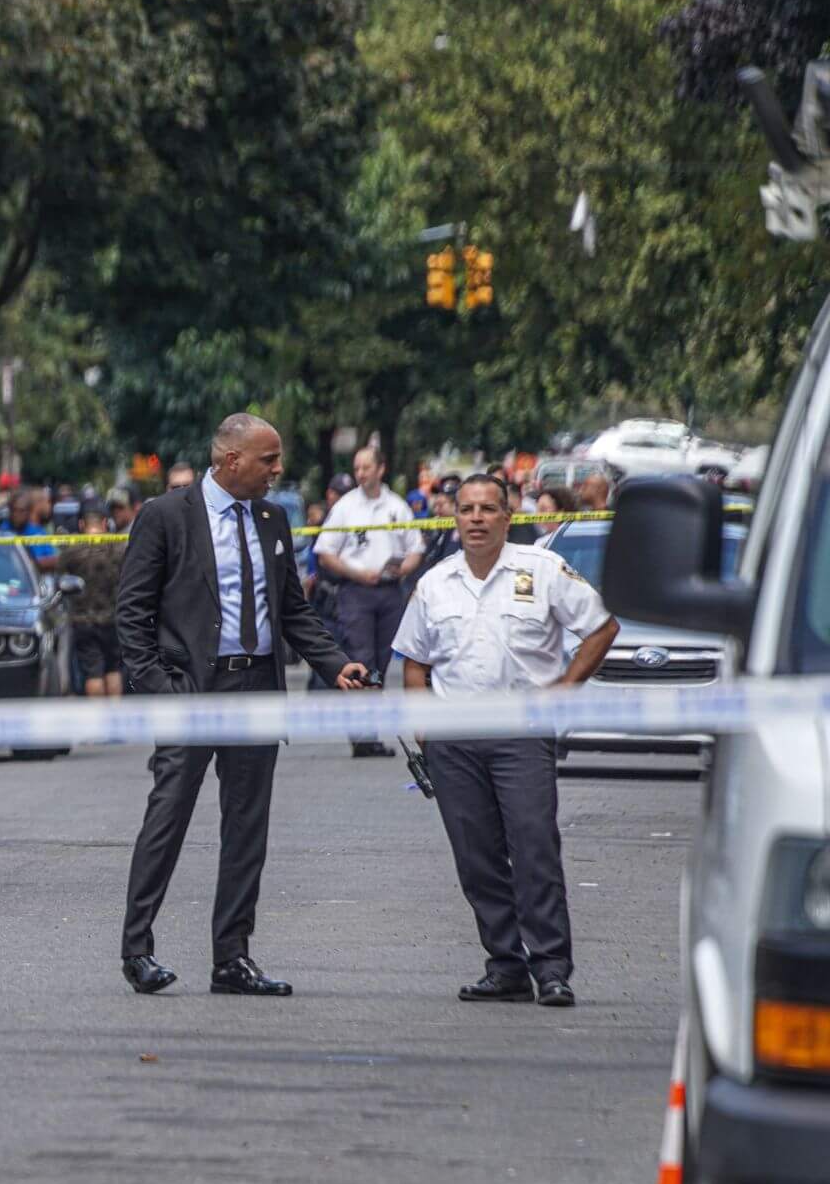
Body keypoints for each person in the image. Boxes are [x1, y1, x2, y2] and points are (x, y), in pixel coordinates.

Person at [115, 414, 367, 998]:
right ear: (231, 460)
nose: (278, 471)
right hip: (191, 692)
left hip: (257, 688)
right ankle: (137, 948)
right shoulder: (165, 517)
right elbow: (132, 614)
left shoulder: (274, 519)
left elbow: (292, 611)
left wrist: (336, 664)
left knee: (247, 827)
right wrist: (161, 687)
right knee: (167, 818)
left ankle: (232, 957)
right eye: (268, 460)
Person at [393, 475, 620, 1008]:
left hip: (521, 736)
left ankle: (552, 968)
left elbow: (602, 628)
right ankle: (505, 967)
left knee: (534, 849)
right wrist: (424, 728)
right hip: (454, 741)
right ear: (454, 518)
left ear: (507, 515)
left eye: (487, 509)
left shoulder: (542, 571)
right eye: (467, 510)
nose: (476, 518)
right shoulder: (435, 582)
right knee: (478, 858)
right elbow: (414, 662)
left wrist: (565, 689)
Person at [314, 446, 423, 755]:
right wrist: (357, 574)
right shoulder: (346, 507)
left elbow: (416, 546)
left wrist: (404, 568)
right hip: (356, 593)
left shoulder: (397, 506)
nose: (360, 473)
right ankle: (363, 735)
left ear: (381, 469)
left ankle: (370, 730)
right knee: (362, 661)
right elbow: (325, 552)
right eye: (357, 468)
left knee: (382, 660)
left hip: (389, 593)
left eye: (366, 467)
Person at [58, 498, 124, 696]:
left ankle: (97, 719)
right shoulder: (118, 549)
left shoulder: (72, 551)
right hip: (113, 618)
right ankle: (116, 716)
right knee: (113, 670)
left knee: (92, 672)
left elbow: (59, 578)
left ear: (81, 524)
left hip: (83, 621)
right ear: (105, 523)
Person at [6, 489, 58, 573]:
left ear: (29, 512)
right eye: (14, 510)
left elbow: (53, 559)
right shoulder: (2, 532)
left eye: (21, 511)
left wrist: (33, 563)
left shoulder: (39, 533)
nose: (16, 514)